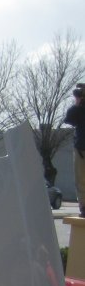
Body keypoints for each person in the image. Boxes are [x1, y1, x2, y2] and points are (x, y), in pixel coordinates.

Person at [64, 83, 85, 218]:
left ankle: (83, 206)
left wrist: (79, 102)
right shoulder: (79, 110)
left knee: (81, 179)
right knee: (81, 179)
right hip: (81, 147)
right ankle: (84, 206)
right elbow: (70, 118)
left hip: (81, 147)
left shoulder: (78, 109)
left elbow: (70, 118)